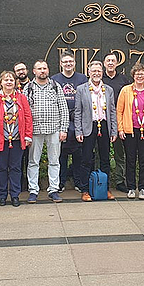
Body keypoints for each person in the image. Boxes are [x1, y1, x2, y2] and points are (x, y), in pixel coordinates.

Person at [24, 60, 69, 203]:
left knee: (54, 161)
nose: (42, 71)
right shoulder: (28, 88)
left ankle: (53, 190)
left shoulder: (56, 86)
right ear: (34, 71)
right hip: (35, 131)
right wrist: (26, 133)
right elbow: (24, 112)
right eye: (39, 68)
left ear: (48, 70)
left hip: (54, 130)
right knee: (33, 162)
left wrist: (64, 129)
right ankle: (33, 191)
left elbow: (63, 108)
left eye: (44, 68)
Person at [0, 71, 33, 206]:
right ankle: (2, 195)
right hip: (1, 139)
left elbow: (28, 117)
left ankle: (15, 195)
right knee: (1, 168)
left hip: (18, 139)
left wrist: (28, 136)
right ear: (0, 82)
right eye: (5, 80)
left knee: (16, 168)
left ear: (15, 82)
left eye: (11, 80)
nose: (8, 82)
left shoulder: (21, 97)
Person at [75, 61, 117, 201]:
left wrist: (114, 131)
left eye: (99, 71)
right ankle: (85, 190)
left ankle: (105, 189)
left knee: (105, 159)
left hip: (104, 126)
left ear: (102, 72)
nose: (96, 73)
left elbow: (112, 111)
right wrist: (78, 131)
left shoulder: (109, 89)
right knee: (86, 159)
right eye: (94, 71)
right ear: (89, 72)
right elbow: (78, 112)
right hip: (89, 126)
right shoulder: (81, 89)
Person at [117, 63, 144, 200]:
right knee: (130, 159)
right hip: (130, 130)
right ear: (133, 76)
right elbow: (119, 111)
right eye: (137, 74)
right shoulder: (125, 91)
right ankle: (131, 188)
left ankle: (142, 188)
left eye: (142, 74)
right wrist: (120, 128)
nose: (139, 76)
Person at [52, 50, 88, 192]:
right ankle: (61, 182)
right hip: (61, 121)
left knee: (79, 154)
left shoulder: (82, 78)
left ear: (75, 63)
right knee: (61, 155)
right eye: (65, 62)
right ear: (61, 64)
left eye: (70, 61)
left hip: (78, 121)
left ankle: (78, 182)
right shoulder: (55, 79)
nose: (68, 64)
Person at [103, 52, 131, 193]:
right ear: (104, 63)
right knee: (101, 153)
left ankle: (120, 181)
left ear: (116, 63)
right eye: (108, 60)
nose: (110, 63)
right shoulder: (99, 79)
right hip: (102, 121)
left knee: (120, 153)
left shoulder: (123, 79)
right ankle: (101, 180)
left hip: (119, 121)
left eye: (113, 60)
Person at [14, 61, 31, 191]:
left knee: (30, 158)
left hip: (31, 126)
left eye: (23, 69)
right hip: (16, 128)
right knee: (18, 159)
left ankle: (30, 184)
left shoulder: (33, 85)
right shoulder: (13, 88)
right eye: (18, 70)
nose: (21, 72)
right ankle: (19, 184)